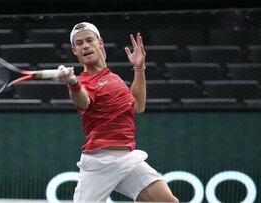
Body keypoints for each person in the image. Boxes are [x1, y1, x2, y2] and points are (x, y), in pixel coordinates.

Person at [57, 22, 179, 202]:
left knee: (168, 201)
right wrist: (73, 83)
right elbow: (83, 100)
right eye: (79, 43)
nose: (85, 46)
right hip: (99, 162)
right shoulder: (83, 82)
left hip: (127, 159)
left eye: (89, 40)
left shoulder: (113, 78)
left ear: (100, 43)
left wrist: (139, 68)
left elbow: (138, 106)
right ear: (75, 51)